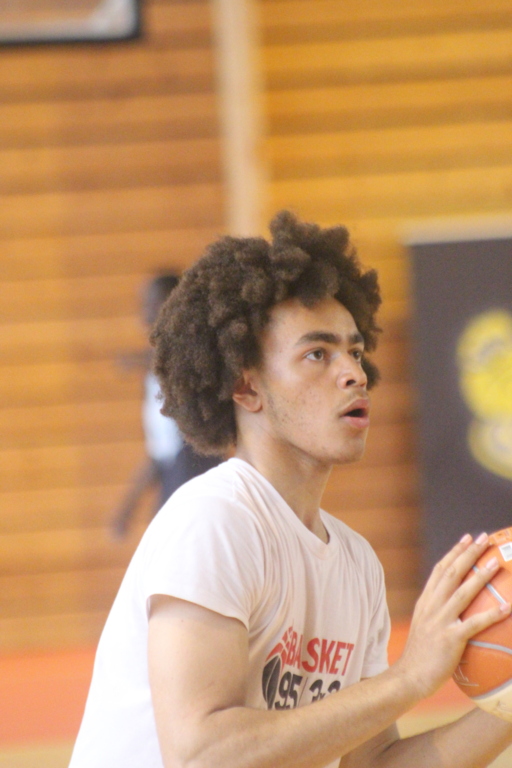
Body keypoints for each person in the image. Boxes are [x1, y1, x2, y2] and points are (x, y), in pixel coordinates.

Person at [70, 211, 512, 768]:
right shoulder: (214, 521)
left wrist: (505, 705)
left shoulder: (356, 564)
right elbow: (203, 755)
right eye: (317, 354)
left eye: (355, 352)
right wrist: (409, 678)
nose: (354, 374)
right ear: (245, 386)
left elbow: (373, 764)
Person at [110, 273, 221, 537]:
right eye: (145, 304)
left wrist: (137, 360)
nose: (147, 312)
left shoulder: (194, 355)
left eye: (155, 303)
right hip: (176, 473)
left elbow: (175, 357)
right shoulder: (152, 377)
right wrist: (129, 505)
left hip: (195, 471)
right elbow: (160, 454)